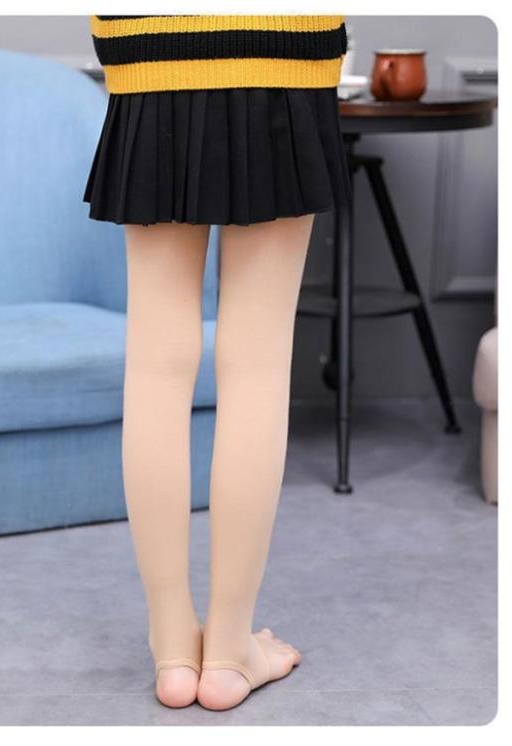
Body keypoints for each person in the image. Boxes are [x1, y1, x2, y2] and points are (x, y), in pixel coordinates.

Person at [83, 13, 351, 711]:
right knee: (257, 363)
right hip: (280, 52)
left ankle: (174, 649)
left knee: (154, 365)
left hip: (149, 53)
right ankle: (230, 652)